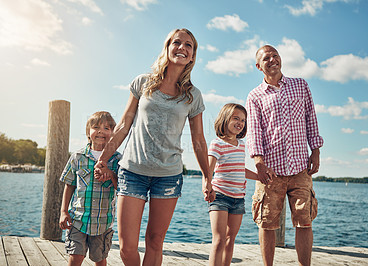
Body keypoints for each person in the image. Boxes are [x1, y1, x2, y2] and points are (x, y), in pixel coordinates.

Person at [93, 28, 212, 266]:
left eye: (189, 45)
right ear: (167, 47)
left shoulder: (193, 96)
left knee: (155, 241)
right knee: (127, 247)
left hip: (168, 176)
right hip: (133, 170)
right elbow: (124, 123)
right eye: (177, 42)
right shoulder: (142, 83)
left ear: (192, 56)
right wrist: (104, 158)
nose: (182, 47)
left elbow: (198, 139)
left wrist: (208, 177)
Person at [246, 45, 323, 266]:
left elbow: (311, 119)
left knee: (304, 221)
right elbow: (255, 131)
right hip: (270, 170)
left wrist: (315, 150)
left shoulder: (301, 86)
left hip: (300, 167)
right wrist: (258, 162)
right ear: (258, 66)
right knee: (267, 222)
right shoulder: (255, 96)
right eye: (266, 58)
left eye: (275, 56)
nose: (272, 60)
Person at [59, 111, 122, 266]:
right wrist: (63, 211)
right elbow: (69, 184)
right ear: (88, 132)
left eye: (106, 128)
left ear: (113, 133)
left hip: (103, 222)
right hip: (78, 219)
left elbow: (121, 187)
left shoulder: (117, 159)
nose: (101, 131)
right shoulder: (77, 157)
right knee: (75, 257)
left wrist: (112, 174)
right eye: (95, 127)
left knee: (100, 260)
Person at [207, 103, 259, 266]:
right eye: (236, 118)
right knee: (219, 240)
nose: (240, 123)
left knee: (230, 240)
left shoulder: (241, 144)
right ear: (225, 119)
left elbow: (240, 169)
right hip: (220, 196)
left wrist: (259, 177)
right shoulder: (217, 143)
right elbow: (208, 170)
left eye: (243, 120)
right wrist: (206, 186)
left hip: (238, 199)